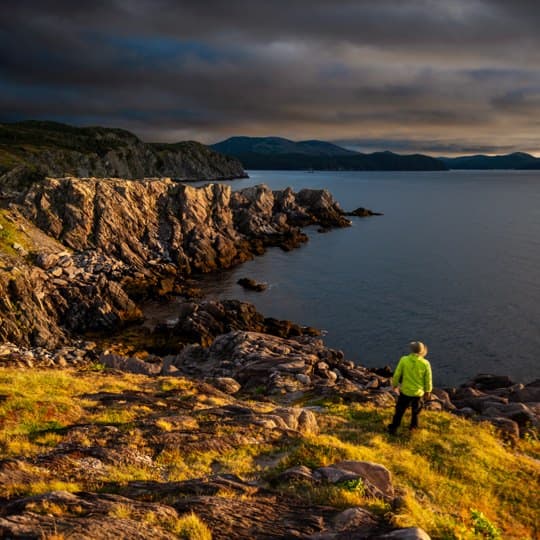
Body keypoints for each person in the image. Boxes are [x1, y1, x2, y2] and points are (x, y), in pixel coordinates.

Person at [387, 341, 432, 434]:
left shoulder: (404, 359)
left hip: (405, 391)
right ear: (422, 351)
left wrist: (394, 385)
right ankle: (413, 429)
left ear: (411, 350)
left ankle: (394, 428)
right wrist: (428, 391)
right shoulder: (425, 363)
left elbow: (397, 374)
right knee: (415, 412)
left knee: (399, 410)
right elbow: (428, 379)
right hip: (418, 393)